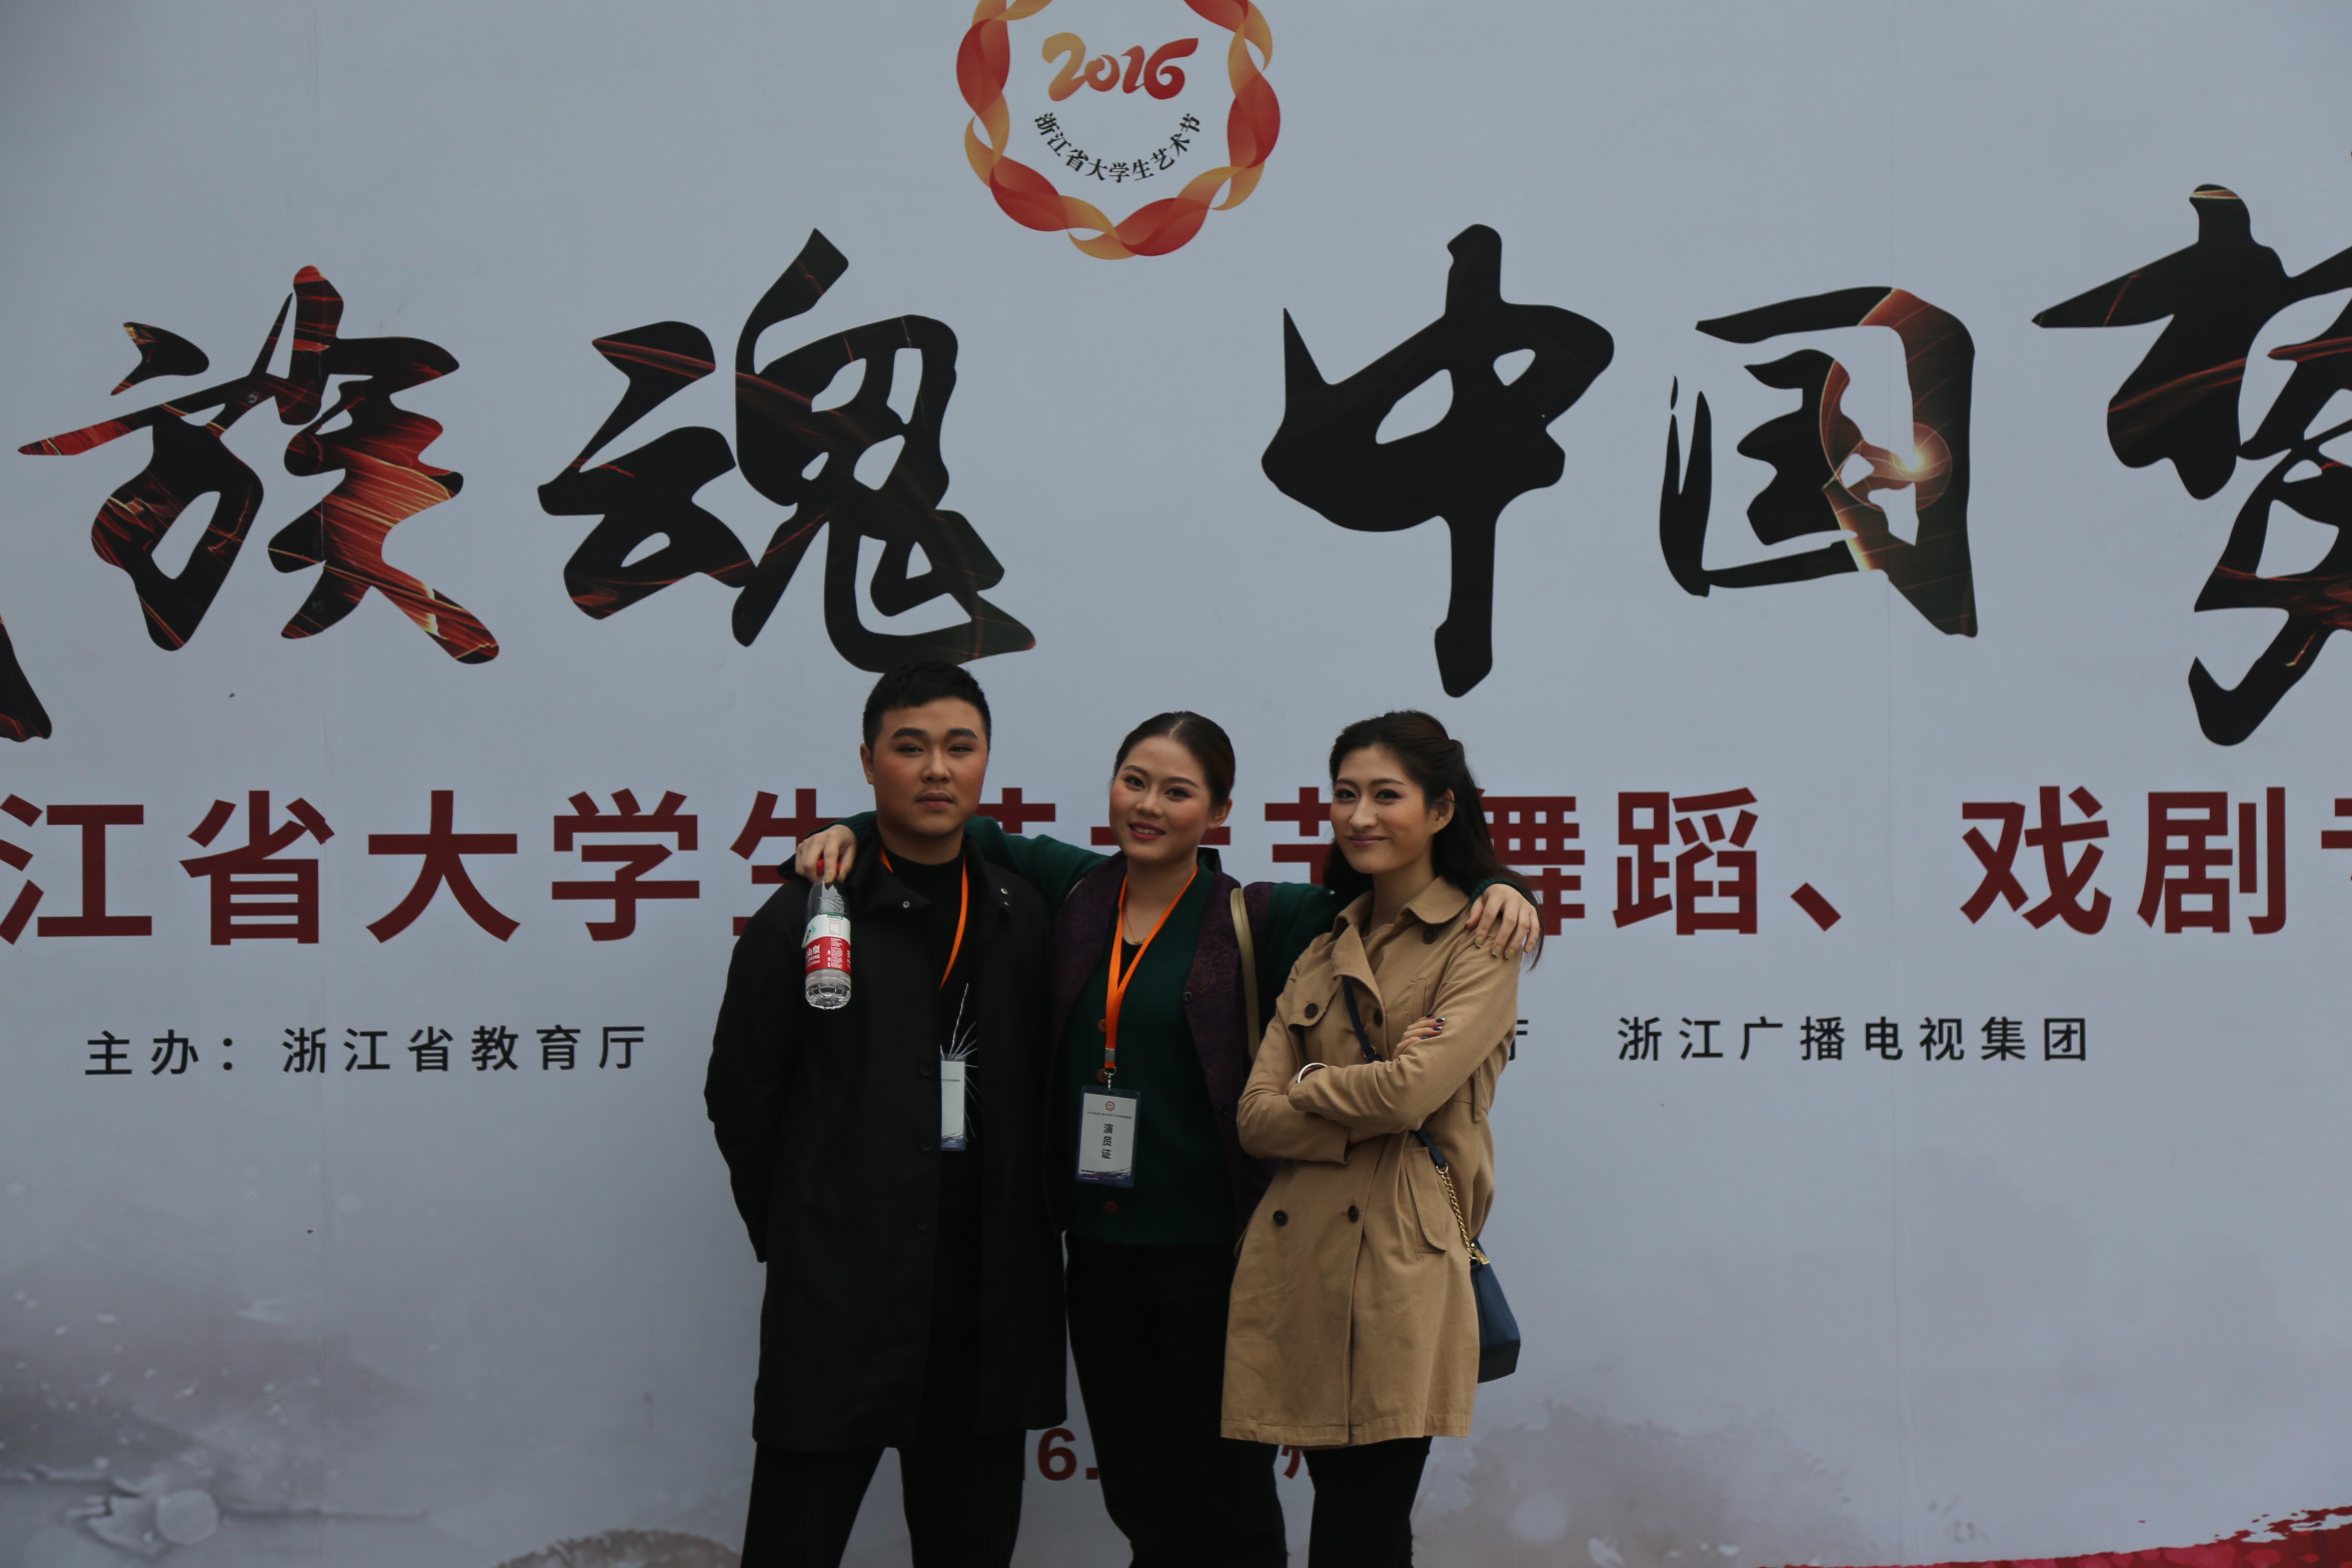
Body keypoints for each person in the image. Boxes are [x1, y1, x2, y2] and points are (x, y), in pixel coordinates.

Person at [796, 712, 1538, 1567]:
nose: (1149, 806)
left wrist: (1500, 885)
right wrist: (850, 829)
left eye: (1178, 791)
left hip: (1217, 1257)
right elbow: (961, 830)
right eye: (1135, 782)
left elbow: (1398, 898)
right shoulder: (1076, 889)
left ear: (1219, 812)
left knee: (1230, 1500)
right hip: (1094, 1252)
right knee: (1141, 1494)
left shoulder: (1263, 917)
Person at [704, 661, 1063, 1568]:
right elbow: (742, 1093)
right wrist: (805, 1227)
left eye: (960, 747)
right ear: (869, 763)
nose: (937, 769)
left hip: (986, 1300)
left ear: (986, 763)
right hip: (844, 1297)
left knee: (970, 1547)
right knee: (794, 1543)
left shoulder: (1026, 912)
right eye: (911, 747)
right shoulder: (804, 916)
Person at [1221, 710, 1535, 1568]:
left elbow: (1412, 1094)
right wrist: (1356, 1095)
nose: (1359, 816)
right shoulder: (1325, 947)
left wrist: (1312, 1088)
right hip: (1299, 1261)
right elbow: (1255, 1118)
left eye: (1385, 796)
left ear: (1441, 810)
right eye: (1345, 795)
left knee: (1360, 1528)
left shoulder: (1482, 937)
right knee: (1355, 1523)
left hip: (1399, 1260)